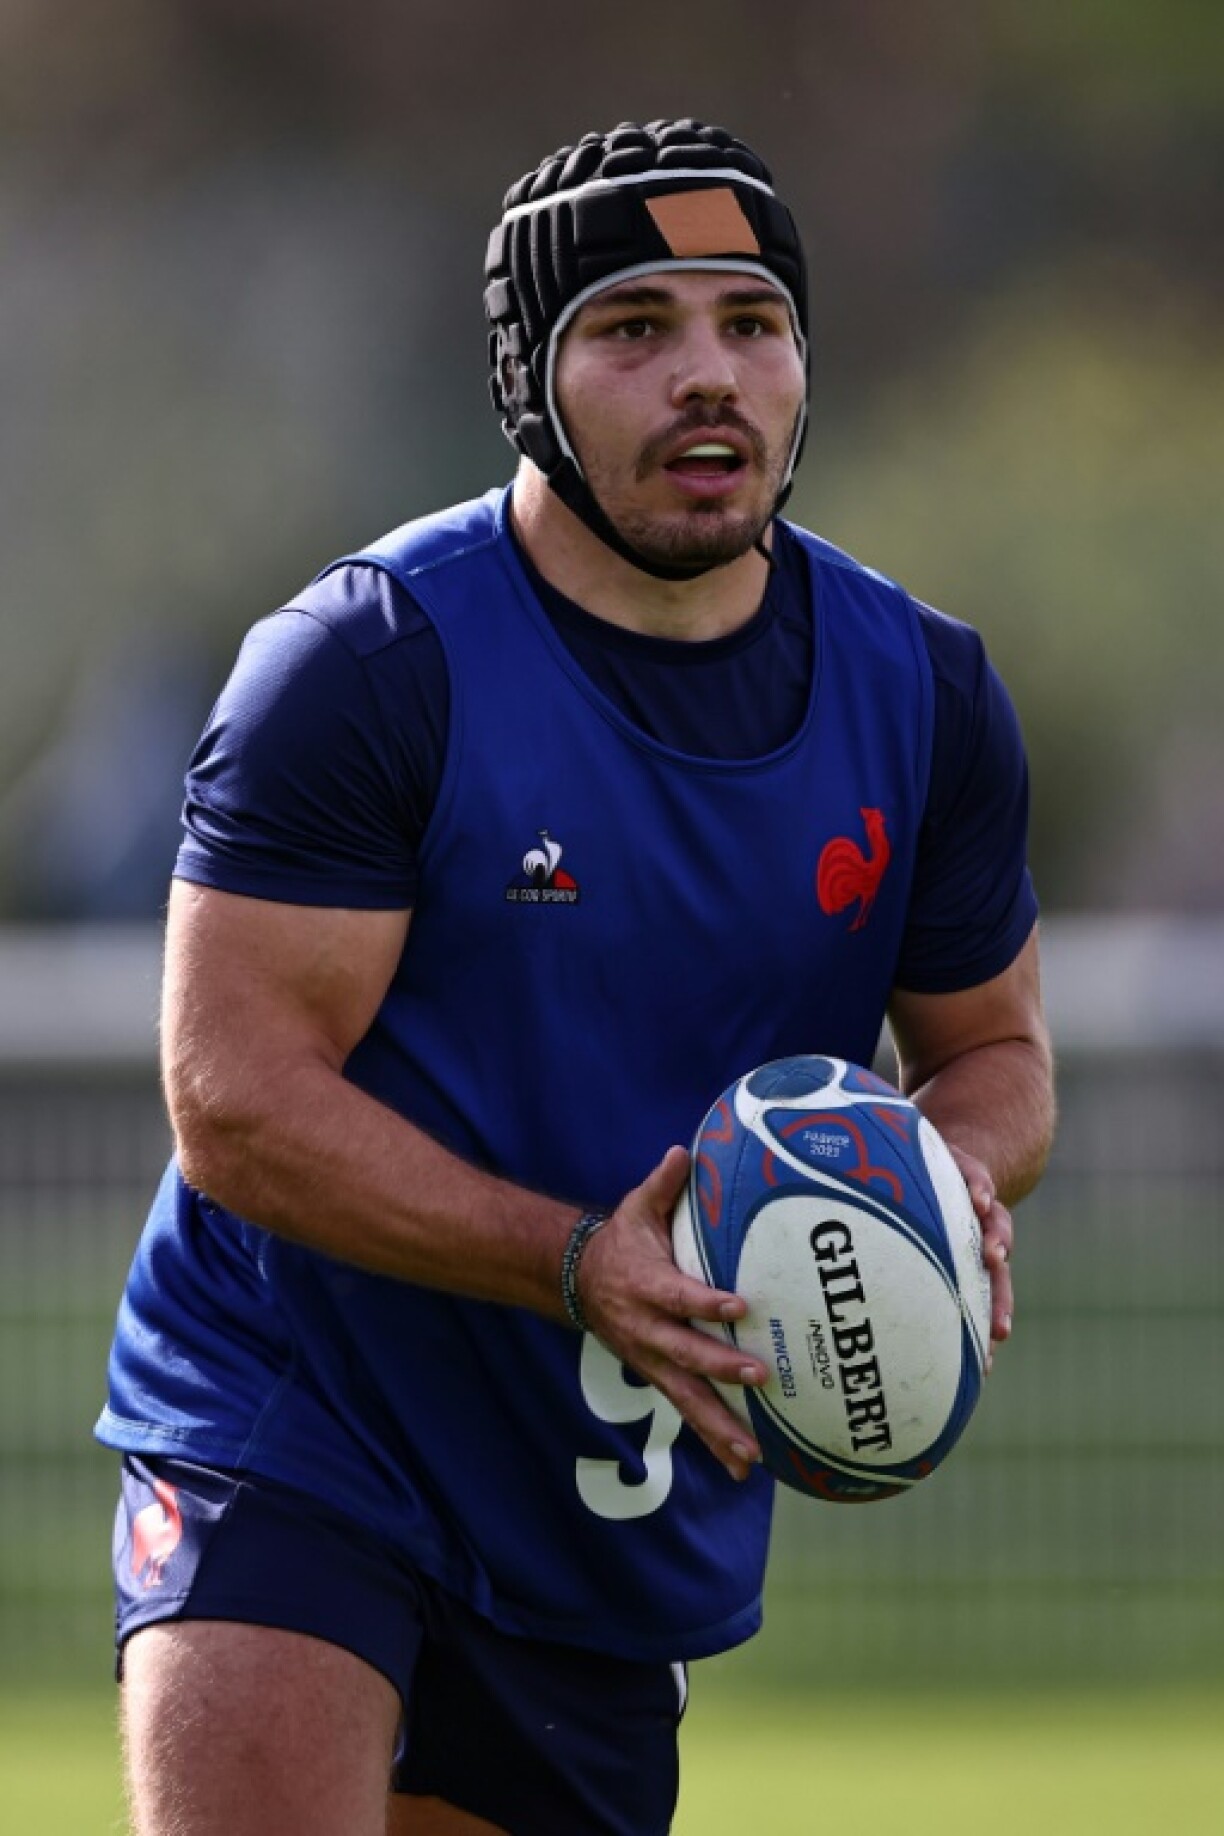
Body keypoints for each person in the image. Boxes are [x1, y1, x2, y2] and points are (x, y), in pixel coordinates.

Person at [97, 117, 1055, 1836]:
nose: (710, 379)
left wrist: (936, 1189)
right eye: (635, 331)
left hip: (606, 1494)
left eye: (751, 326)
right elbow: (234, 1102)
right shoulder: (369, 664)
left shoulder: (924, 695)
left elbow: (996, 1054)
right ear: (529, 380)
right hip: (302, 1412)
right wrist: (565, 1259)